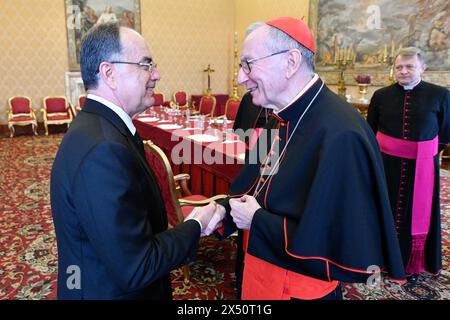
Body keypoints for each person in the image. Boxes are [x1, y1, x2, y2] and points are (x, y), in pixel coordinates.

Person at [203, 16, 406, 300]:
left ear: (291, 62)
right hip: (259, 269)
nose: (240, 77)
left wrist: (258, 221)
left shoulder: (342, 133)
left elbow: (339, 240)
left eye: (248, 63)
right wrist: (224, 210)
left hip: (298, 289)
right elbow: (256, 190)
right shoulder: (278, 115)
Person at [50, 23, 218, 300]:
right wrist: (196, 225)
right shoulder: (104, 149)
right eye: (145, 65)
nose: (157, 74)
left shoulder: (99, 127)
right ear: (109, 73)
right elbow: (136, 266)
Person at [367, 47, 450, 283]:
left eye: (409, 66)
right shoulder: (381, 96)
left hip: (422, 166)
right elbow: (371, 129)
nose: (403, 71)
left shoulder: (440, 95)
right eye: (399, 67)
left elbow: (444, 132)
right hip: (387, 164)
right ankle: (381, 256)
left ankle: (414, 260)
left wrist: (425, 153)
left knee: (417, 212)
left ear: (422, 68)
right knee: (385, 208)